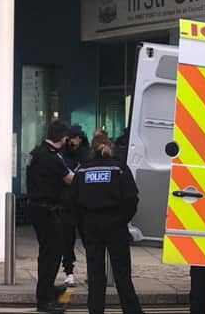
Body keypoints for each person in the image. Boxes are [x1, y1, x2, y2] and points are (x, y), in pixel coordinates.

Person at [70, 133, 143, 314]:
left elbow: (72, 201)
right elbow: (132, 198)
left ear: (92, 149)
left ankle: (95, 310)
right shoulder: (119, 168)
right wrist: (122, 219)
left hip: (91, 225)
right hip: (115, 224)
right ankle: (131, 309)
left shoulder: (83, 170)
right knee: (122, 272)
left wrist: (84, 223)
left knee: (95, 273)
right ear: (109, 146)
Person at [26, 120, 74, 313]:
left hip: (37, 208)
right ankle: (44, 299)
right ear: (63, 138)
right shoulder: (51, 157)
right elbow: (71, 180)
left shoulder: (37, 152)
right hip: (48, 211)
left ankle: (47, 290)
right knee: (51, 255)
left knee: (47, 252)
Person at [60, 124, 91, 287]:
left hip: (83, 202)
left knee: (89, 239)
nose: (76, 140)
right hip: (67, 202)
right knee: (67, 239)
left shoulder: (86, 153)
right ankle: (69, 272)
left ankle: (90, 271)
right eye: (74, 138)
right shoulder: (64, 154)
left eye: (79, 137)